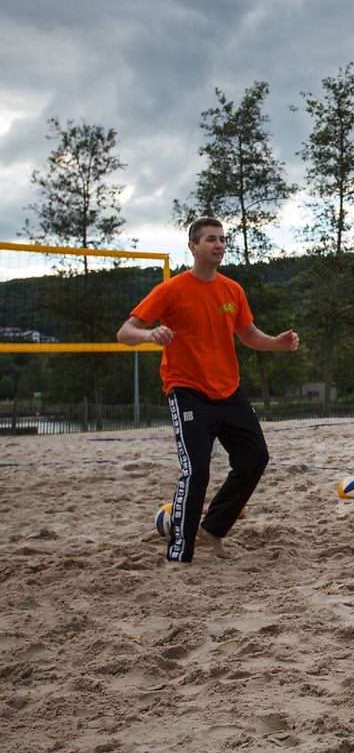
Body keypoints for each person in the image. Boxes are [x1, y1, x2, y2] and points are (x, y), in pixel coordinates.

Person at [117, 216, 300, 564]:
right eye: (210, 239)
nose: (218, 245)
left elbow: (248, 334)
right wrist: (149, 335)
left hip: (228, 391)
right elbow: (125, 332)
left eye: (222, 239)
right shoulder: (170, 290)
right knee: (197, 470)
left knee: (255, 458)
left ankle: (212, 529)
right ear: (193, 247)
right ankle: (179, 553)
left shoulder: (232, 290)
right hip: (187, 391)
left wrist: (276, 343)